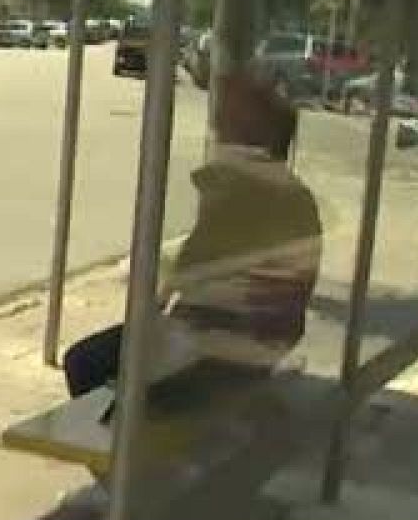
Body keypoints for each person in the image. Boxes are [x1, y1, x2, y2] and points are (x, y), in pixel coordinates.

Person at [64, 75, 324, 404]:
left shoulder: (244, 186)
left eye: (227, 120)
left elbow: (186, 275)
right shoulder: (289, 190)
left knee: (83, 361)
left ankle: (130, 441)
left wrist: (161, 303)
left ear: (250, 131)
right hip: (259, 341)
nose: (216, 127)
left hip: (225, 352)